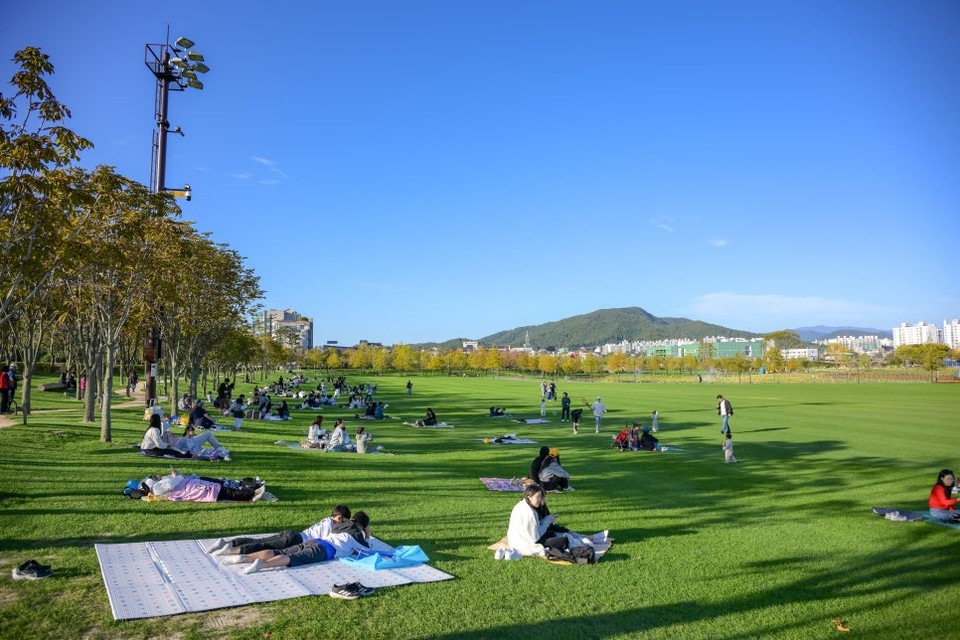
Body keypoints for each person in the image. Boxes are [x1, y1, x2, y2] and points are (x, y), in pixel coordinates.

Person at [212, 510, 374, 574]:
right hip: (324, 549)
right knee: (294, 558)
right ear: (362, 526)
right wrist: (366, 533)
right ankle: (262, 564)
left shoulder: (338, 525)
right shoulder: (356, 535)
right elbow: (368, 549)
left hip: (313, 540)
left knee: (277, 550)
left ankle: (245, 557)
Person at [507, 484, 584, 558]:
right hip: (525, 544)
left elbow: (536, 527)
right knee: (564, 541)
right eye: (538, 497)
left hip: (516, 540)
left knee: (552, 533)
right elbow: (535, 538)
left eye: (541, 497)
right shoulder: (529, 513)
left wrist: (546, 520)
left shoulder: (523, 505)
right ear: (529, 497)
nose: (540, 500)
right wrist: (548, 520)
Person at [145, 469, 265, 502]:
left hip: (193, 484)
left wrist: (176, 475)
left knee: (222, 488)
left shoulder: (161, 482)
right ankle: (251, 494)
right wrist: (178, 476)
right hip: (192, 489)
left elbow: (175, 480)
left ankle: (250, 490)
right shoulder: (156, 489)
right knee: (224, 492)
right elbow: (171, 485)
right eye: (153, 477)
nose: (156, 477)